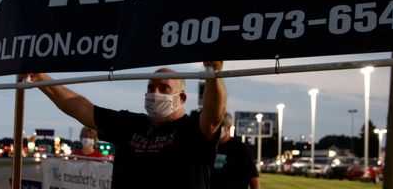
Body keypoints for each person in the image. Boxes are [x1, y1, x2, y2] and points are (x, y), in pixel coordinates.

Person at [28, 61, 227, 189]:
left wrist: (212, 72)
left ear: (181, 97)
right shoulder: (130, 124)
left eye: (164, 87)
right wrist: (40, 77)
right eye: (150, 87)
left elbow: (214, 116)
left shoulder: (192, 129)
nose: (154, 93)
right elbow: (80, 107)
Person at [212, 113, 260, 189]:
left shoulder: (240, 148)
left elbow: (254, 179)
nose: (215, 128)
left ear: (228, 128)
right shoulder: (209, 146)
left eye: (219, 125)